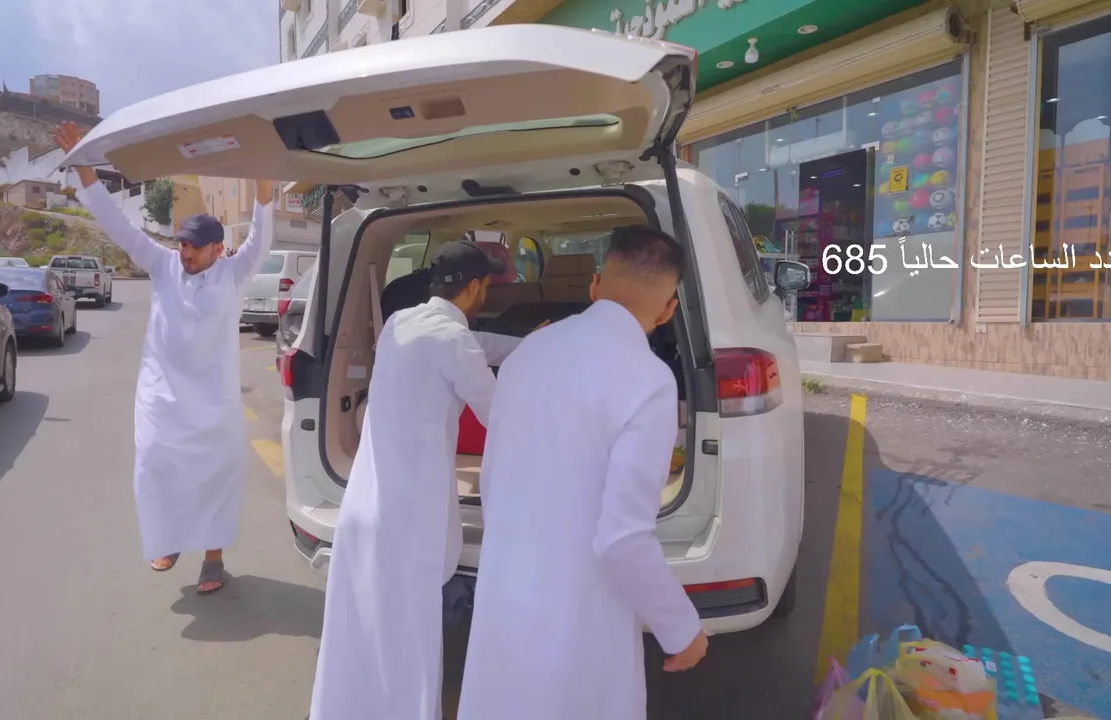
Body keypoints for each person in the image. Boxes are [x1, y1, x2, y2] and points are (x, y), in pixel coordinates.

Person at [456, 225, 708, 720]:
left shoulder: (528, 352)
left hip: (506, 591)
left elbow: (494, 479)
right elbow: (623, 540)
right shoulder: (649, 380)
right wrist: (681, 629)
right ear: (667, 310)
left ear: (594, 286)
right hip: (580, 613)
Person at [52, 121, 276, 595]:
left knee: (215, 477)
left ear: (217, 248)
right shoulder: (162, 265)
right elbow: (118, 225)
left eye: (193, 245)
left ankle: (213, 559)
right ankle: (167, 540)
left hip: (214, 404)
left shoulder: (235, 273)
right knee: (155, 466)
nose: (184, 251)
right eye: (181, 242)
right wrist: (85, 169)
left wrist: (262, 183)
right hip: (162, 398)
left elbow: (261, 238)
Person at [309, 240, 524, 720]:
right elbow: (502, 417)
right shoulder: (455, 343)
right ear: (475, 287)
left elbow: (473, 344)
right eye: (486, 285)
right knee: (409, 642)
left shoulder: (399, 324)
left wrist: (533, 344)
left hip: (366, 506)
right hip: (412, 522)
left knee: (360, 627)